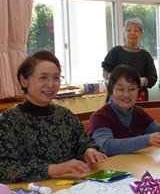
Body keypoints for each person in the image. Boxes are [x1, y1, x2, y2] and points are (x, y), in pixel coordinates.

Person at [0, 50, 107, 184]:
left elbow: (84, 143)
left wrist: (88, 151)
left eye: (56, 78)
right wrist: (54, 169)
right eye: (43, 77)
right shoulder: (8, 121)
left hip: (70, 188)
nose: (50, 84)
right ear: (23, 80)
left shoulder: (65, 115)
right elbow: (4, 169)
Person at [88, 65, 160, 156]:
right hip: (111, 171)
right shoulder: (100, 117)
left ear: (138, 91)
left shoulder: (139, 112)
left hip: (136, 168)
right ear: (110, 92)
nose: (126, 94)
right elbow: (106, 147)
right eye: (120, 89)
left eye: (132, 89)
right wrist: (146, 140)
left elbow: (158, 131)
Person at [102, 18, 157, 101]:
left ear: (141, 34)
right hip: (116, 95)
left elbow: (152, 78)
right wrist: (116, 79)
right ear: (125, 33)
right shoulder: (115, 51)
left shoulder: (145, 55)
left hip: (138, 97)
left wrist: (140, 81)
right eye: (129, 30)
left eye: (136, 30)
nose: (132, 33)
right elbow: (105, 72)